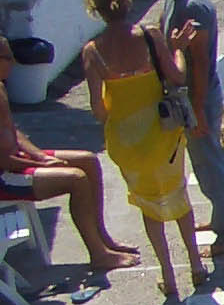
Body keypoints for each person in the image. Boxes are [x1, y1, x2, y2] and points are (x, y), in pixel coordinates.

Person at [81, 0, 209, 303]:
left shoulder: (93, 53)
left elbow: (99, 110)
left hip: (125, 141)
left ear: (97, 11)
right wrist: (178, 49)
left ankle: (168, 275)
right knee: (178, 196)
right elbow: (177, 75)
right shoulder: (150, 36)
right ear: (126, 2)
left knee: (149, 206)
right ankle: (196, 265)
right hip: (162, 133)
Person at [0, 44, 136, 283]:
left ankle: (102, 236)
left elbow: (15, 132)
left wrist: (40, 157)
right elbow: (3, 159)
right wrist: (41, 166)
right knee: (76, 179)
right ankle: (98, 254)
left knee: (88, 160)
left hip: (17, 159)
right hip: (5, 175)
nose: (13, 62)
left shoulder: (1, 87)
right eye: (8, 57)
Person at [150, 0, 224, 260]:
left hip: (198, 98)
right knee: (204, 166)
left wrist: (198, 110)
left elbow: (201, 63)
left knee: (212, 167)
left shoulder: (193, 7)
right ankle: (222, 221)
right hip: (190, 98)